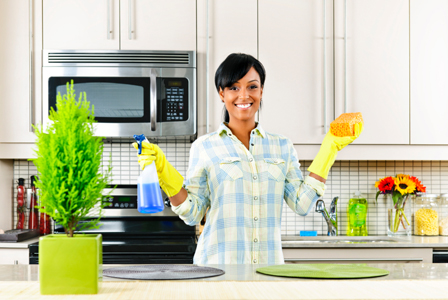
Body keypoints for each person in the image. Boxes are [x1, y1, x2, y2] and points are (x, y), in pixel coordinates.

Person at [133, 53, 363, 264]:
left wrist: (328, 148)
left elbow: (302, 205)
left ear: (261, 91)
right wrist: (163, 171)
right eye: (234, 87)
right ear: (222, 93)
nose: (244, 95)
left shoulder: (281, 146)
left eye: (252, 86)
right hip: (216, 270)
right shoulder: (204, 147)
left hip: (268, 272)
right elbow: (193, 214)